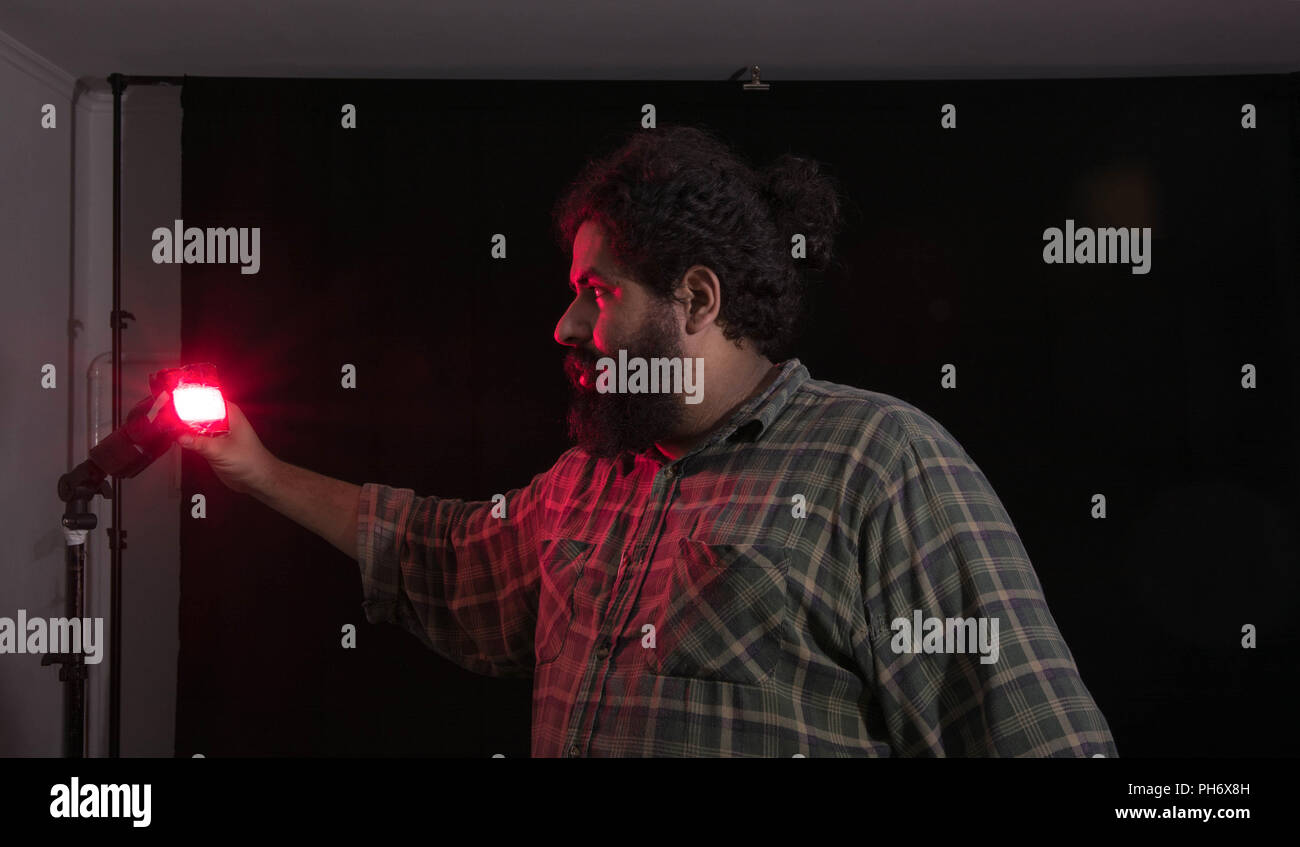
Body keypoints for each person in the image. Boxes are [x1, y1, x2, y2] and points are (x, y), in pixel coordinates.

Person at [181, 124, 1117, 757]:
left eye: (598, 292)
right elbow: (445, 554)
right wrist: (258, 471)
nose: (565, 325)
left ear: (697, 301)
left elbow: (1041, 741)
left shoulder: (881, 460)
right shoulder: (590, 480)